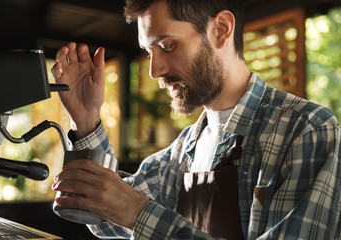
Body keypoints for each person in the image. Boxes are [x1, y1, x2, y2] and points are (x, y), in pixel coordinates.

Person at [51, 0, 341, 239]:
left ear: (221, 29)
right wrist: (86, 118)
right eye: (148, 52)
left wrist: (139, 214)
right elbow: (104, 216)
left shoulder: (307, 131)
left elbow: (128, 210)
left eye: (166, 46)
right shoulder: (182, 151)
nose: (154, 71)